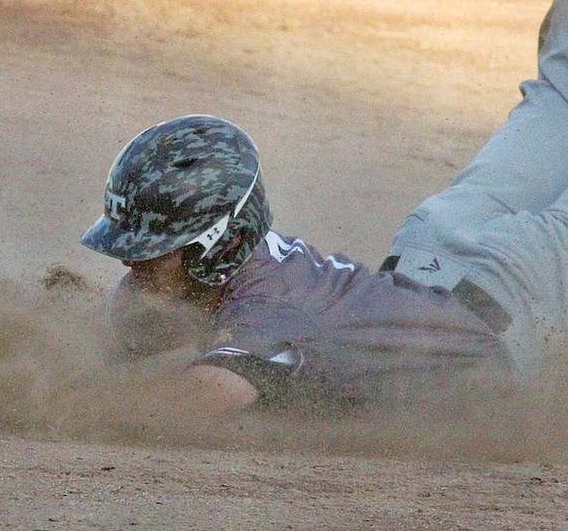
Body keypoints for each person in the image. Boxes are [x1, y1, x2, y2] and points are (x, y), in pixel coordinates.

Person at [78, 109, 522, 416]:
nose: (129, 263)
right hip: (432, 264)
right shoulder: (223, 269)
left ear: (216, 245)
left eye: (152, 249)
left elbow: (184, 407)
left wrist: (51, 407)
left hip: (517, 316)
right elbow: (92, 345)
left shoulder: (272, 306)